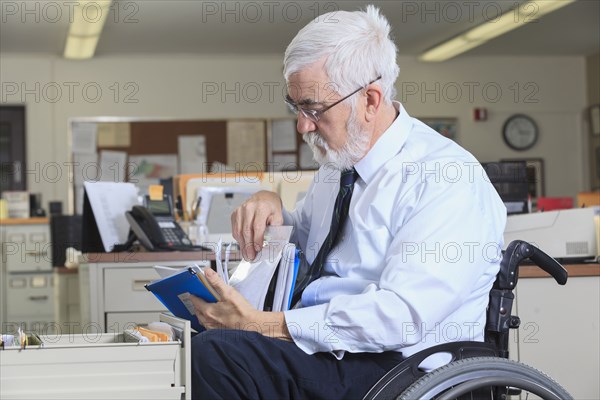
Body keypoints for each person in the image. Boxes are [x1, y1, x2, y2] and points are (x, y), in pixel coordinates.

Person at [190, 5, 506, 399]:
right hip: (333, 350)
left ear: (371, 100)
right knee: (194, 334)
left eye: (314, 108)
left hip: (401, 368)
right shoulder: (337, 166)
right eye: (296, 107)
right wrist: (272, 209)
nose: (303, 125)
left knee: (218, 357)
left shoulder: (446, 177)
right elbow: (308, 247)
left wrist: (265, 325)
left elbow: (403, 317)